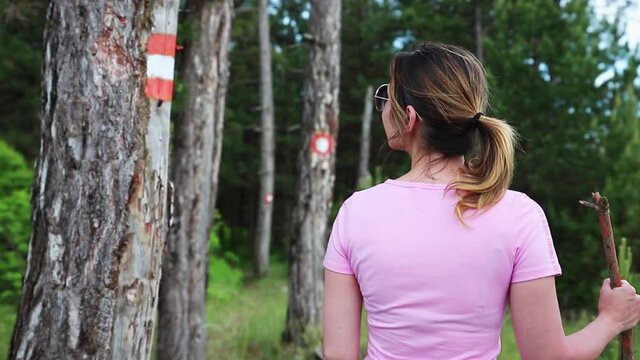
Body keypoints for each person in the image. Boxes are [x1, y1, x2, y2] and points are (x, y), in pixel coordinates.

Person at [322, 42, 640, 360]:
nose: (383, 108)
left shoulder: (357, 212)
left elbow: (338, 356)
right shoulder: (519, 215)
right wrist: (611, 319)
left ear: (409, 117)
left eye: (385, 99)